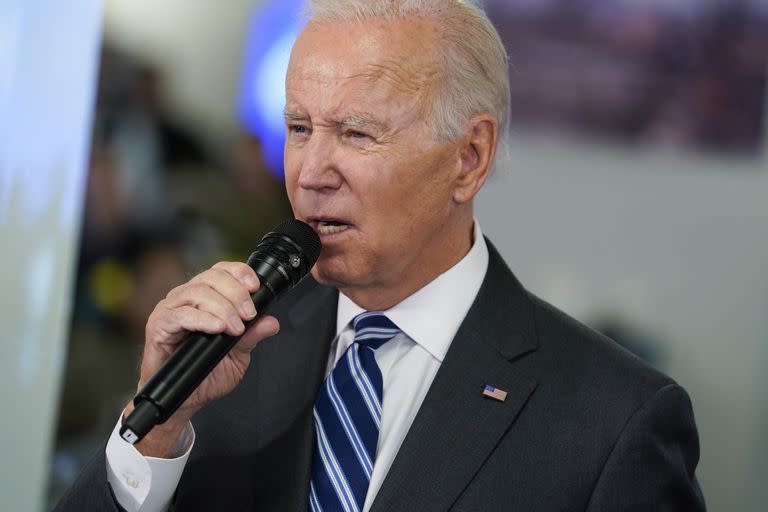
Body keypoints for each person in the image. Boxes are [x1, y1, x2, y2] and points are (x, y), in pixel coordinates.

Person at [55, 1, 706, 510]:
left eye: (356, 133)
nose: (311, 171)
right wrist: (154, 435)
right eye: (299, 128)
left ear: (468, 158)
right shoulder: (226, 354)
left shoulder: (613, 419)